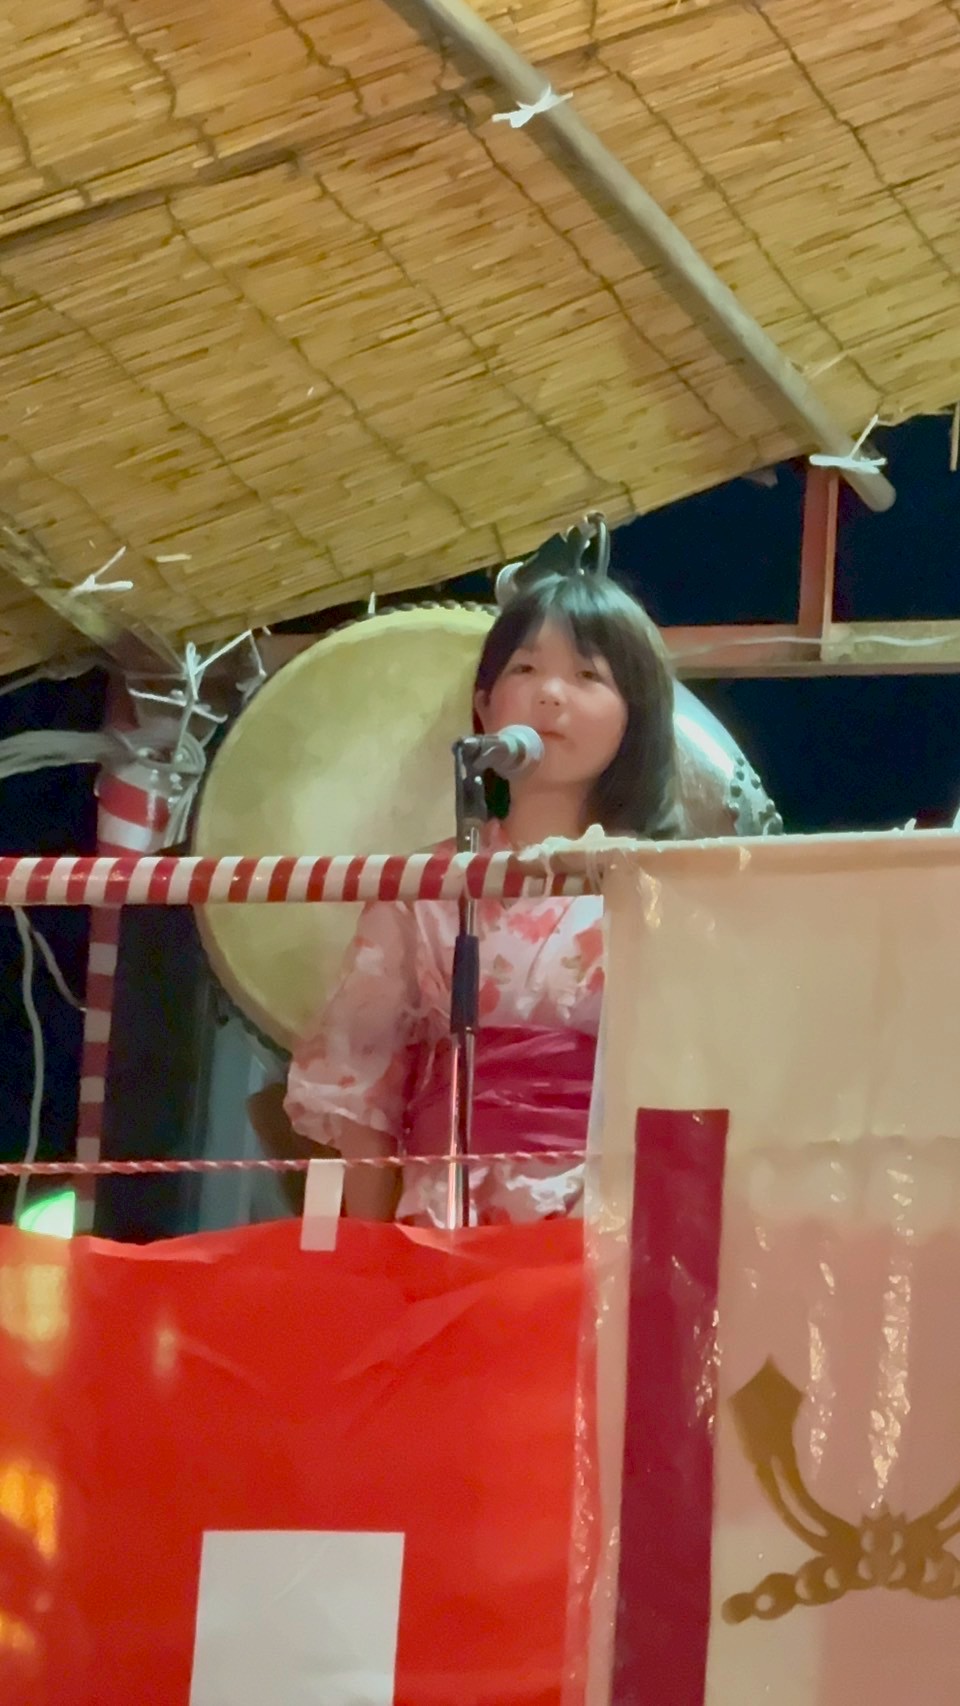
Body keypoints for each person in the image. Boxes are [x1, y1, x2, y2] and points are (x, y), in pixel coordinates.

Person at [284, 563, 681, 1224]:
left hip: (606, 1223)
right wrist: (376, 1256)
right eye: (525, 669)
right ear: (485, 704)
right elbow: (362, 1087)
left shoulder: (664, 889)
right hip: (443, 1224)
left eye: (588, 676)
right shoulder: (422, 887)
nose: (550, 695)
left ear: (632, 716)